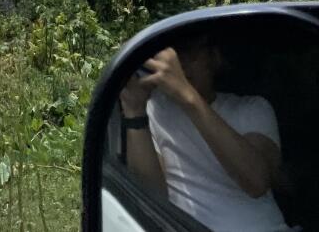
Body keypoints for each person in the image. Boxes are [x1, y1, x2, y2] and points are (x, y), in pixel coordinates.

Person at [120, 35, 289, 232]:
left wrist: (187, 96)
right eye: (173, 54)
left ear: (215, 58)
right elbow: (151, 197)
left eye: (189, 51)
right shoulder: (155, 111)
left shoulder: (252, 108)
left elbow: (257, 183)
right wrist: (134, 110)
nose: (179, 63)